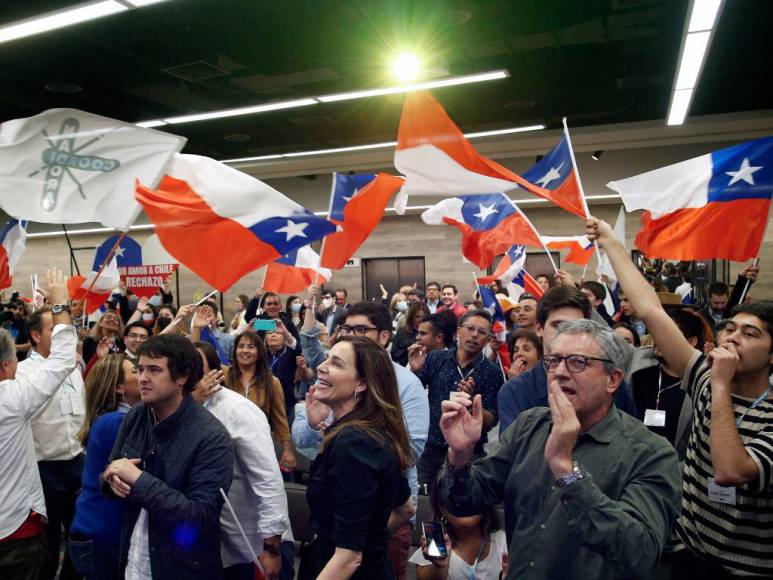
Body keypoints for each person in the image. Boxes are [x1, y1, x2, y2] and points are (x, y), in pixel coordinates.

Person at [589, 216, 773, 578]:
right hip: (687, 550)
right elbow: (651, 310)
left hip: (747, 569)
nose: (732, 338)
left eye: (750, 334)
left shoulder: (719, 387)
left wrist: (720, 386)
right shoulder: (707, 378)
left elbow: (730, 471)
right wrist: (611, 243)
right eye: (729, 329)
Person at [438, 319, 681, 579]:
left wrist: (566, 470)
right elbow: (463, 502)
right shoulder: (529, 426)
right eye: (553, 361)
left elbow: (639, 554)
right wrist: (461, 457)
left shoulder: (651, 453)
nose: (560, 372)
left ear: (613, 379)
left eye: (578, 362)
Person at [293, 301, 428, 580]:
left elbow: (349, 557)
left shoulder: (355, 442)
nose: (321, 368)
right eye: (327, 359)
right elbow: (405, 508)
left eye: (336, 364)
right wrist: (371, 537)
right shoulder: (360, 431)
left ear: (361, 384)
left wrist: (360, 544)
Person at [102, 334, 233, 579]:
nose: (142, 378)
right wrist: (110, 481)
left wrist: (138, 480)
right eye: (140, 369)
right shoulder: (136, 416)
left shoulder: (212, 437)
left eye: (154, 370)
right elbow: (113, 470)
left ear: (181, 377)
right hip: (133, 558)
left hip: (182, 567)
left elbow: (199, 517)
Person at [0, 270, 75, 580]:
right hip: (14, 534)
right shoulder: (11, 397)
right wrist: (59, 305)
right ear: (6, 365)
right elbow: (62, 361)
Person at [193, 342, 288, 580]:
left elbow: (267, 478)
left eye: (196, 365)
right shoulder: (177, 409)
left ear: (215, 372)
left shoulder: (238, 410)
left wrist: (272, 546)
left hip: (246, 544)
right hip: (203, 543)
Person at [497, 286, 638, 434]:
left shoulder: (608, 381)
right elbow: (515, 453)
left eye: (576, 326)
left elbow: (632, 440)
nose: (567, 334)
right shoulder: (515, 391)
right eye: (558, 325)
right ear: (539, 328)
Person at [18, 307, 88, 580]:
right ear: (35, 335)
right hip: (43, 468)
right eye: (53, 329)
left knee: (80, 532)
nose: (61, 334)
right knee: (48, 540)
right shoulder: (23, 373)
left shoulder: (73, 366)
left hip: (77, 463)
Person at [409, 309, 503, 487]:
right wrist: (415, 371)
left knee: (462, 504)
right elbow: (415, 393)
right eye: (470, 328)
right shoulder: (436, 358)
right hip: (432, 450)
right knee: (423, 505)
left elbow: (491, 421)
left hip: (469, 453)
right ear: (459, 331)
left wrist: (472, 402)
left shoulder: (492, 373)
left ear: (488, 339)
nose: (474, 335)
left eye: (482, 332)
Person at [70, 354, 140, 579]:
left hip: (98, 532)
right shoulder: (115, 422)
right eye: (136, 372)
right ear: (120, 387)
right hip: (100, 536)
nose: (145, 376)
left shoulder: (114, 418)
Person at [226, 329, 297, 475]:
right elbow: (198, 361)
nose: (245, 350)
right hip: (228, 448)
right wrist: (196, 327)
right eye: (241, 346)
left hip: (258, 448)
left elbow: (280, 420)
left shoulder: (272, 381)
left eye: (251, 347)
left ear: (259, 353)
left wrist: (288, 450)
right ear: (235, 351)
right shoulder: (224, 376)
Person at [409, 486, 507, 580]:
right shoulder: (433, 547)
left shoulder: (504, 544)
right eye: (455, 498)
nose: (465, 505)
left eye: (473, 497)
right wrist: (439, 567)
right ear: (441, 508)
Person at [391, 302, 429, 366]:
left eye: (424, 317)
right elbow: (394, 355)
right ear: (412, 317)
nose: (421, 320)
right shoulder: (402, 332)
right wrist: (408, 350)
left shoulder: (430, 333)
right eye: (418, 317)